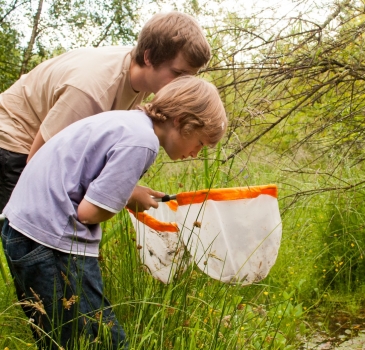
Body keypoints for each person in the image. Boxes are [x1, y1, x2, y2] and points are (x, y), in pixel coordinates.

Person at [1, 75, 228, 349]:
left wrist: (130, 192)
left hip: (24, 229)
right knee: (102, 340)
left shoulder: (127, 122)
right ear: (181, 121)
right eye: (201, 143)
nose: (195, 153)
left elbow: (84, 176)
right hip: (52, 240)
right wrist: (124, 201)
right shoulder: (143, 142)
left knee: (59, 336)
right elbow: (89, 213)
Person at [0, 11, 211, 213]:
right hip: (14, 141)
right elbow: (43, 162)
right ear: (149, 57)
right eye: (178, 73)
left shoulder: (143, 79)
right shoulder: (93, 89)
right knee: (29, 229)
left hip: (36, 145)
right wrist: (125, 193)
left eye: (189, 77)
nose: (183, 84)